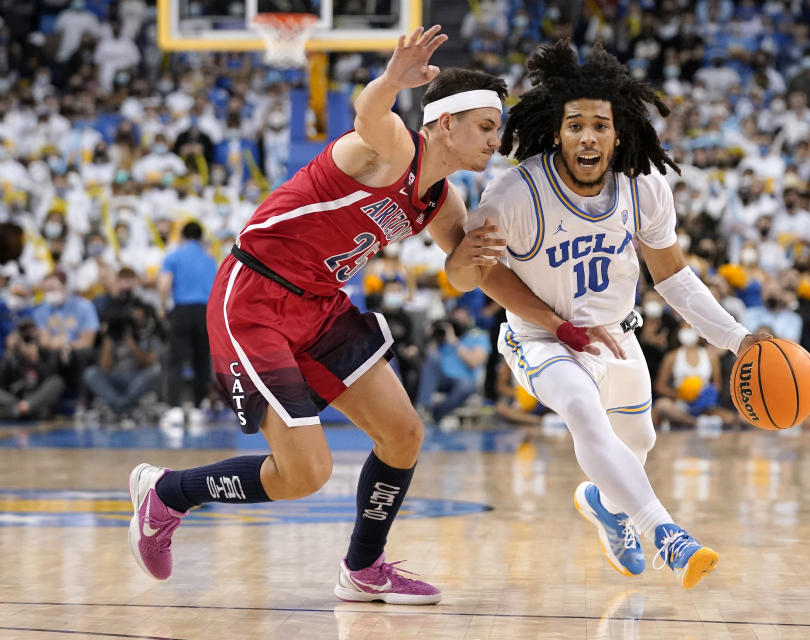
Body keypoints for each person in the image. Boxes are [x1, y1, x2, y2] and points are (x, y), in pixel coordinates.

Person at [127, 26, 562, 605]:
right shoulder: (391, 148)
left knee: (404, 434)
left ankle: (363, 569)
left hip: (321, 307)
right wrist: (391, 79)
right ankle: (167, 494)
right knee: (304, 474)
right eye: (485, 126)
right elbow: (367, 114)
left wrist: (502, 279)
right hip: (254, 299)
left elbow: (461, 279)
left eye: (497, 130)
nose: (494, 141)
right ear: (445, 123)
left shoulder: (441, 200)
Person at [446, 40, 766, 589]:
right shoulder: (514, 196)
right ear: (556, 132)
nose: (588, 136)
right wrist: (555, 323)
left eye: (600, 124)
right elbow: (473, 276)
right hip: (541, 338)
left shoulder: (644, 186)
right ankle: (667, 535)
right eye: (575, 125)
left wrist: (741, 340)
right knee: (582, 412)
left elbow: (674, 279)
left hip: (617, 337)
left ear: (619, 133)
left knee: (636, 443)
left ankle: (602, 501)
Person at [157, 221, 218, 430]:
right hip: (205, 312)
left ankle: (174, 409)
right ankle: (198, 408)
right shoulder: (210, 259)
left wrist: (162, 306)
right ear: (201, 237)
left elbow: (164, 284)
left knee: (175, 360)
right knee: (202, 361)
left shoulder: (174, 256)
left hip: (182, 311)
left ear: (182, 236)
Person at [415, 307, 490, 430]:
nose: (458, 322)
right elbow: (429, 361)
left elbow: (474, 362)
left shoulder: (478, 336)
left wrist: (454, 341)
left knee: (466, 386)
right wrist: (432, 337)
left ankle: (435, 414)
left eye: (461, 318)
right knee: (433, 358)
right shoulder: (443, 337)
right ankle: (423, 407)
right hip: (442, 378)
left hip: (465, 379)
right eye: (455, 319)